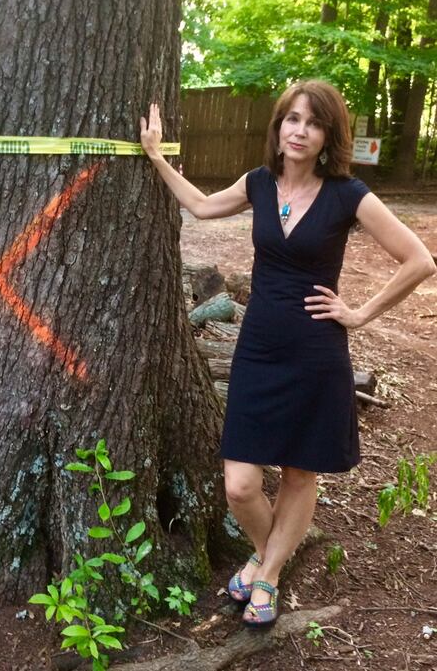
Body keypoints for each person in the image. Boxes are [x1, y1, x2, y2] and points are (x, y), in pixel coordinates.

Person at [139, 80, 436, 629]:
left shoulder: (349, 195)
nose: (299, 130)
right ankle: (264, 552)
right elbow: (202, 207)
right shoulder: (258, 184)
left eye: (313, 123)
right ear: (278, 130)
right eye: (291, 120)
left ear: (328, 136)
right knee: (241, 484)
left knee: (301, 473)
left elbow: (419, 261)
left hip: (316, 353)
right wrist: (156, 156)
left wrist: (360, 313)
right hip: (258, 350)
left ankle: (268, 574)